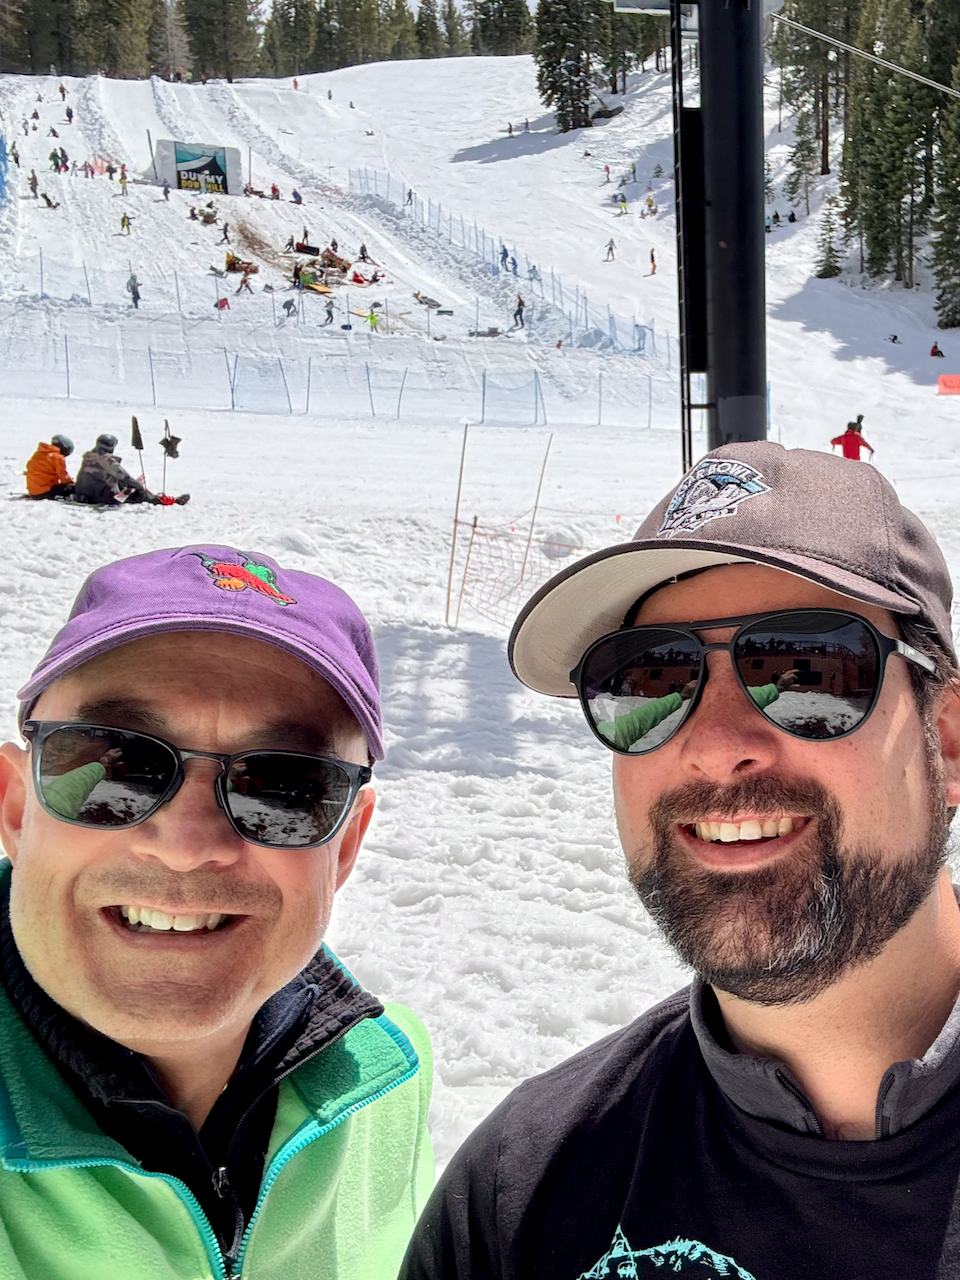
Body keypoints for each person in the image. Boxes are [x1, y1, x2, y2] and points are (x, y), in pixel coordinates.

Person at [401, 440, 960, 1280]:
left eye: (809, 671)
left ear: (946, 741)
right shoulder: (520, 1197)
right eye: (650, 682)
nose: (715, 748)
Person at [0, 544, 433, 1277]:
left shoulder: (388, 1079)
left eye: (283, 787)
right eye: (113, 765)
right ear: (16, 807)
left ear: (347, 845)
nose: (188, 845)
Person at [75, 434, 158, 505]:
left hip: (83, 495)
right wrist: (140, 488)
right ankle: (156, 500)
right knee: (137, 494)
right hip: (102, 499)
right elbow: (125, 477)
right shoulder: (107, 461)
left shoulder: (88, 458)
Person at [24, 435, 74, 499]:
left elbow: (29, 466)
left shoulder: (39, 453)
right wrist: (72, 484)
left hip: (33, 491)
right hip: (45, 491)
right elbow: (63, 476)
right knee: (71, 489)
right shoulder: (57, 457)